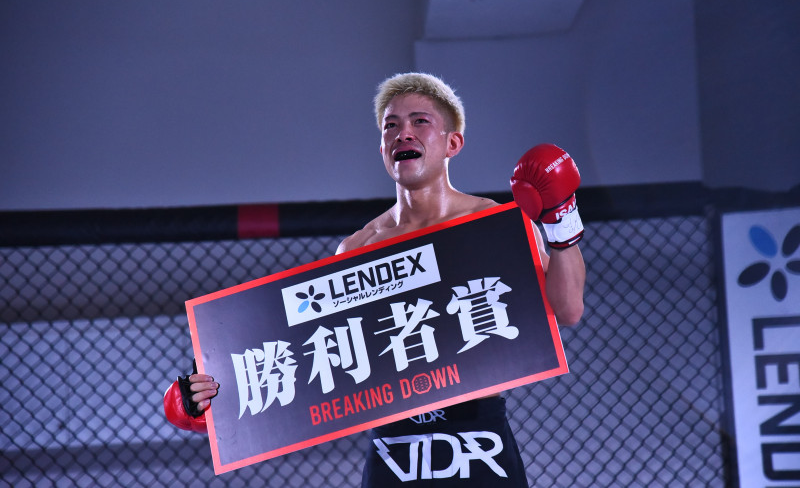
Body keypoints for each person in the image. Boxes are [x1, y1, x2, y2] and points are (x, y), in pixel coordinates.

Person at [164, 72, 586, 486]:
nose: (404, 133)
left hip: (478, 433)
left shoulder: (493, 224)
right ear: (382, 147)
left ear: (452, 143)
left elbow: (567, 310)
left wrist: (562, 221)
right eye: (391, 126)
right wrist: (217, 397)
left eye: (420, 121)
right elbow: (311, 353)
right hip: (393, 442)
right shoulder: (357, 248)